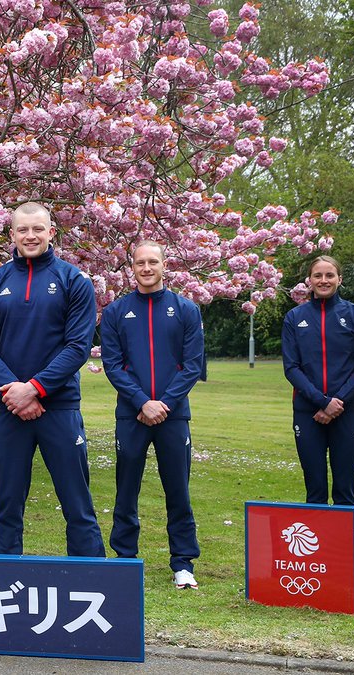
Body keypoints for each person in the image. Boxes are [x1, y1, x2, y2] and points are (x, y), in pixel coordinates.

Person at [0, 202, 105, 557]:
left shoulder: (73, 280)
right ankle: (1, 585)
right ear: (11, 234)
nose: (30, 236)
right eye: (22, 230)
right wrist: (14, 393)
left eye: (37, 229)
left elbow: (78, 347)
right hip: (7, 411)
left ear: (51, 232)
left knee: (78, 505)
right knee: (6, 507)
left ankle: (93, 582)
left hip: (58, 408)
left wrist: (34, 389)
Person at [99, 241, 205, 590]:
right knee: (126, 489)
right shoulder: (116, 311)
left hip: (173, 416)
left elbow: (191, 366)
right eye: (140, 263)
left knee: (178, 489)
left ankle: (183, 562)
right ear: (132, 267)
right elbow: (113, 366)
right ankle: (125, 558)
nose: (146, 268)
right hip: (132, 415)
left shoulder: (186, 309)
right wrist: (142, 402)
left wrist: (164, 404)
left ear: (164, 265)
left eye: (153, 262)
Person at [281, 255, 354, 506]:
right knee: (315, 491)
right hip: (307, 412)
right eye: (318, 276)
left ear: (339, 279)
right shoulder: (294, 317)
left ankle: (343, 546)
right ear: (309, 281)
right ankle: (318, 547)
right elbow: (291, 368)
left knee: (344, 490)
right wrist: (321, 402)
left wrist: (336, 403)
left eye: (329, 275)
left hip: (348, 411)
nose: (324, 280)